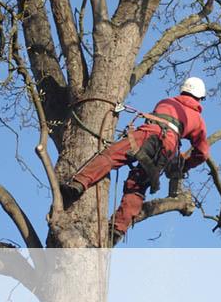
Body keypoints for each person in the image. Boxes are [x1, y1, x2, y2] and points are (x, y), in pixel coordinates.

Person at [60, 77, 210, 241]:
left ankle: (78, 184)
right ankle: (118, 228)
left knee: (112, 156)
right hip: (168, 148)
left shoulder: (166, 101)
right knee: (138, 185)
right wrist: (185, 165)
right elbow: (202, 153)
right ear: (200, 97)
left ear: (183, 90)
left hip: (150, 133)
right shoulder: (198, 120)